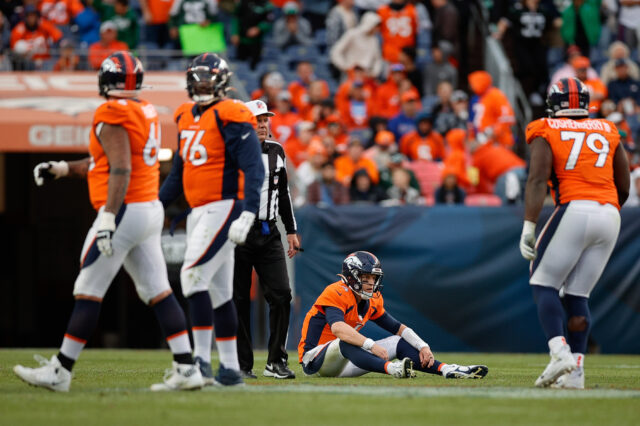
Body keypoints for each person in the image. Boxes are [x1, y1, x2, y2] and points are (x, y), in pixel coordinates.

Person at [13, 51, 204, 392]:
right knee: (158, 291)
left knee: (87, 289)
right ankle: (186, 369)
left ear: (105, 80)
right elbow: (107, 159)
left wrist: (107, 216)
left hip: (125, 211)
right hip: (148, 209)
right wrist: (63, 168)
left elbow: (120, 168)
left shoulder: (111, 111)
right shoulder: (144, 108)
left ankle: (60, 371)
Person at [159, 53, 265, 387]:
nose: (202, 86)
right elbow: (178, 172)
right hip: (198, 211)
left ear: (221, 82)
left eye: (209, 80)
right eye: (198, 80)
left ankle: (200, 364)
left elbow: (254, 168)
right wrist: (154, 204)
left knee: (191, 278)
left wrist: (249, 211)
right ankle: (230, 370)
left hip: (223, 208)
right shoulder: (184, 115)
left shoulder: (233, 112)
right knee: (219, 292)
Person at [520, 77, 630, 388]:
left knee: (543, 283)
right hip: (609, 212)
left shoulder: (545, 127)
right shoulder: (607, 129)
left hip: (573, 208)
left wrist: (529, 223)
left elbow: (537, 179)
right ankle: (576, 373)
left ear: (553, 105)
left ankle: (559, 352)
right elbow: (623, 185)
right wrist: (605, 211)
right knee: (578, 294)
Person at [298, 251, 489, 379]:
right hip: (315, 361)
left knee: (398, 342)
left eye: (373, 279)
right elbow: (338, 328)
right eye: (365, 278)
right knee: (345, 340)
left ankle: (446, 369)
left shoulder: (372, 300)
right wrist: (371, 346)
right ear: (351, 277)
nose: (370, 284)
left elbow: (398, 328)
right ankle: (393, 369)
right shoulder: (335, 291)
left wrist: (422, 345)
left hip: (348, 362)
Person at [232, 100, 300, 380]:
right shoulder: (232, 149)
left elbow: (282, 193)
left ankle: (275, 360)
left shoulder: (277, 150)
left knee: (282, 294)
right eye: (256, 119)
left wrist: (291, 230)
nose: (262, 124)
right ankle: (240, 363)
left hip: (268, 231)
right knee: (238, 299)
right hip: (237, 232)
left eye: (265, 119)